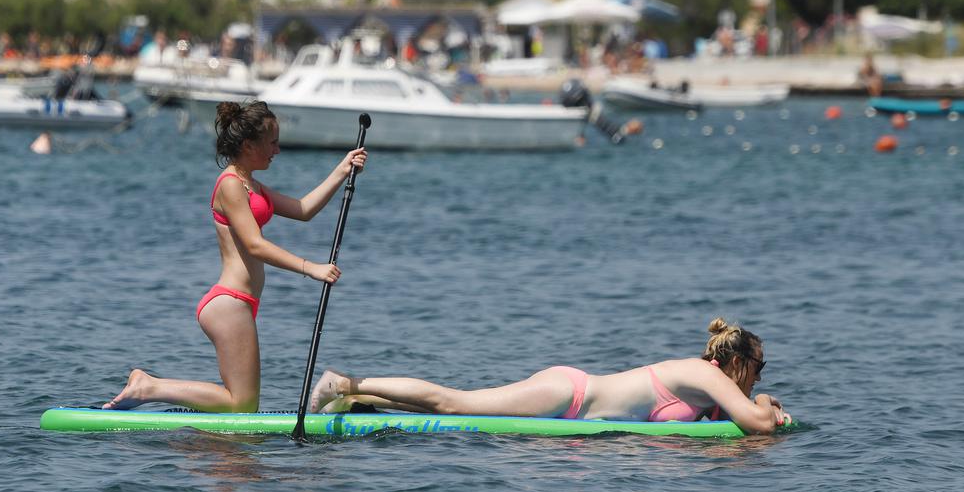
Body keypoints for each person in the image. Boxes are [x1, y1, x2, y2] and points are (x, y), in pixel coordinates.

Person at [104, 100, 368, 413]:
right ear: (247, 145)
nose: (278, 150)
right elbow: (255, 245)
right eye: (272, 143)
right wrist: (310, 268)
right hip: (229, 303)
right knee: (241, 405)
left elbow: (303, 209)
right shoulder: (230, 185)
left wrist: (342, 169)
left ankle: (153, 388)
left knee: (242, 405)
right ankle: (151, 386)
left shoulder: (252, 185)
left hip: (241, 304)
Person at [306, 318, 790, 435]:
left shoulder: (711, 391)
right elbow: (759, 425)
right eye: (760, 368)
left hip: (571, 406)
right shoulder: (705, 374)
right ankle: (346, 382)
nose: (760, 376)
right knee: (455, 403)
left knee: (454, 408)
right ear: (738, 363)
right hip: (569, 395)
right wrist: (768, 403)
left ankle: (355, 404)